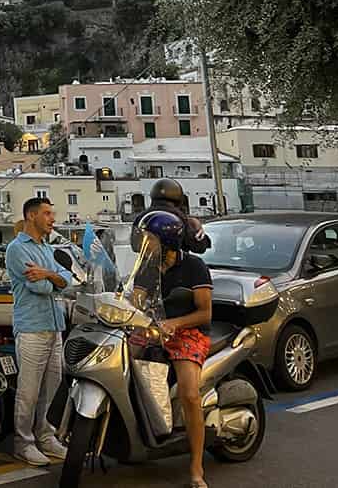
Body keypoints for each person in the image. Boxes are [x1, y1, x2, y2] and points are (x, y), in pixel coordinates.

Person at [138, 209, 214, 488]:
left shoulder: (194, 266)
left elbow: (205, 313)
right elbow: (136, 296)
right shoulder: (147, 266)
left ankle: (196, 468)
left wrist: (175, 322)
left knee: (190, 395)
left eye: (149, 238)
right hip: (153, 331)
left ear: (167, 241)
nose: (144, 243)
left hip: (188, 333)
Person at [5, 197, 73, 467]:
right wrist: (52, 278)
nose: (52, 219)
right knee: (29, 391)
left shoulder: (47, 248)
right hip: (31, 327)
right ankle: (23, 443)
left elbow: (65, 280)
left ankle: (47, 437)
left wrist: (48, 274)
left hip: (54, 325)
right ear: (31, 216)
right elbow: (41, 288)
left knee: (52, 389)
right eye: (47, 214)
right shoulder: (17, 249)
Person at [131, 178, 211, 254]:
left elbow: (135, 246)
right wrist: (199, 233)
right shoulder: (180, 216)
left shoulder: (142, 216)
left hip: (149, 264)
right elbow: (198, 247)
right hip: (175, 265)